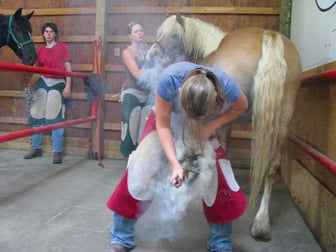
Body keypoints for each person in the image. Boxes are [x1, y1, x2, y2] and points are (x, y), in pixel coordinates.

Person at [106, 61, 249, 252]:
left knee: (217, 173)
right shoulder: (168, 80)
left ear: (215, 95)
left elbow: (241, 106)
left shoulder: (226, 85)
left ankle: (220, 240)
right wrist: (175, 165)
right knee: (142, 165)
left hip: (202, 124)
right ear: (180, 90)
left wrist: (211, 125)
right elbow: (163, 126)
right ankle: (121, 235)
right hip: (166, 119)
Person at [120, 21, 171, 158]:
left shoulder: (148, 50)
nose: (139, 33)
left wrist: (162, 65)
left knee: (145, 126)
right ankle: (128, 162)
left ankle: (142, 159)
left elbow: (156, 71)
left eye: (141, 30)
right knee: (131, 125)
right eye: (136, 31)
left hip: (147, 93)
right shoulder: (127, 53)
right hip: (132, 93)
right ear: (129, 36)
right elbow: (137, 74)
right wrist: (158, 67)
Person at [23, 22, 72, 164]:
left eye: (51, 31)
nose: (49, 34)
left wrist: (67, 86)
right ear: (43, 35)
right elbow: (37, 72)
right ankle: (36, 148)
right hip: (43, 82)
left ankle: (57, 150)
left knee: (55, 114)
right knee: (36, 114)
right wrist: (29, 86)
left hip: (58, 83)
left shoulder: (63, 48)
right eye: (46, 31)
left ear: (55, 34)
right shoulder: (41, 51)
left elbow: (68, 68)